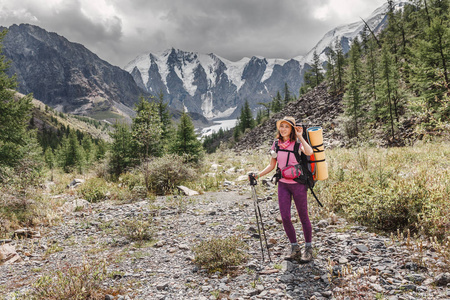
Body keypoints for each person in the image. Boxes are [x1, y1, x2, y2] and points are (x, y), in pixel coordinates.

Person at [249, 116, 314, 262]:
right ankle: (294, 247)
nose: (283, 129)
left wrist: (300, 136)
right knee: (285, 217)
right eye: (281, 126)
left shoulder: (297, 143)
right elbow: (272, 166)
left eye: (287, 127)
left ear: (291, 129)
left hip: (298, 184)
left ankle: (308, 248)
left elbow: (309, 152)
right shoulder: (276, 144)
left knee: (303, 217)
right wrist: (257, 175)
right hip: (283, 184)